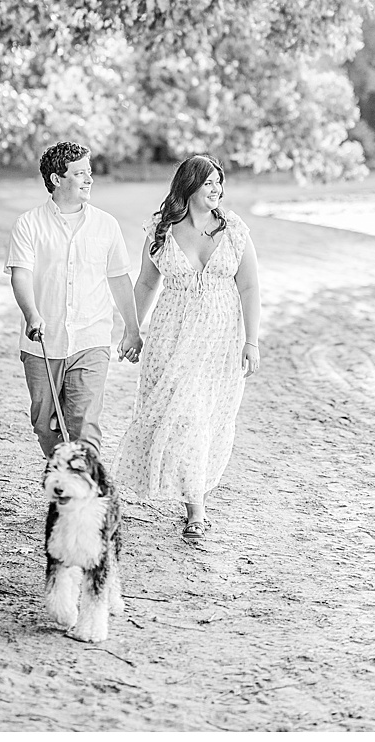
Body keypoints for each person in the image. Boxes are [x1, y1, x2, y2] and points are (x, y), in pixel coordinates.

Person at [116, 154, 262, 542]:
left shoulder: (234, 231)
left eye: (219, 182)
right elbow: (146, 285)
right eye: (209, 182)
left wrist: (251, 340)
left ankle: (195, 507)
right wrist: (132, 330)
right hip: (171, 336)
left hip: (218, 342)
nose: (217, 189)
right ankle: (192, 506)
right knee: (180, 415)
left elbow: (249, 287)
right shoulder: (162, 231)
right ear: (189, 185)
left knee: (201, 417)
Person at [6, 141, 142, 459]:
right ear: (57, 179)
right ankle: (64, 475)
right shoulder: (28, 224)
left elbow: (119, 279)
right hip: (43, 342)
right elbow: (20, 275)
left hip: (90, 340)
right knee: (44, 424)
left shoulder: (106, 225)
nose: (89, 179)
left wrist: (132, 329)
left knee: (84, 428)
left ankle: (85, 492)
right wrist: (32, 314)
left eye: (89, 172)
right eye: (80, 173)